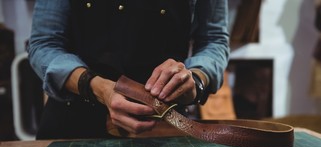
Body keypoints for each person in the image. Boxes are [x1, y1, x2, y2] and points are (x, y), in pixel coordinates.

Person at [27, 0, 230, 139]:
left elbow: (213, 40)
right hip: (73, 129)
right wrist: (97, 87)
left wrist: (196, 80)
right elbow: (44, 43)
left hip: (163, 128)